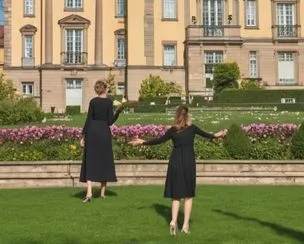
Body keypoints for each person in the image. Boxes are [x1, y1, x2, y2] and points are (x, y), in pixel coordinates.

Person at [129, 105, 227, 235]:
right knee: (188, 195)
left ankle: (173, 221)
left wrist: (142, 142)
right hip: (188, 162)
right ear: (187, 116)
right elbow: (208, 135)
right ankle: (185, 226)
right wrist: (220, 134)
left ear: (177, 116)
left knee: (176, 196)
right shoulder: (192, 128)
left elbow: (158, 141)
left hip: (175, 162)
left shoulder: (172, 130)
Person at [79, 80, 122, 202]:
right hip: (103, 132)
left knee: (90, 160)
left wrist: (83, 136)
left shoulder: (93, 102)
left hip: (92, 131)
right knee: (104, 160)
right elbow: (110, 121)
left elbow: (88, 119)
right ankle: (102, 193)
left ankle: (89, 192)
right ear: (105, 89)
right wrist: (118, 111)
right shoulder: (108, 102)